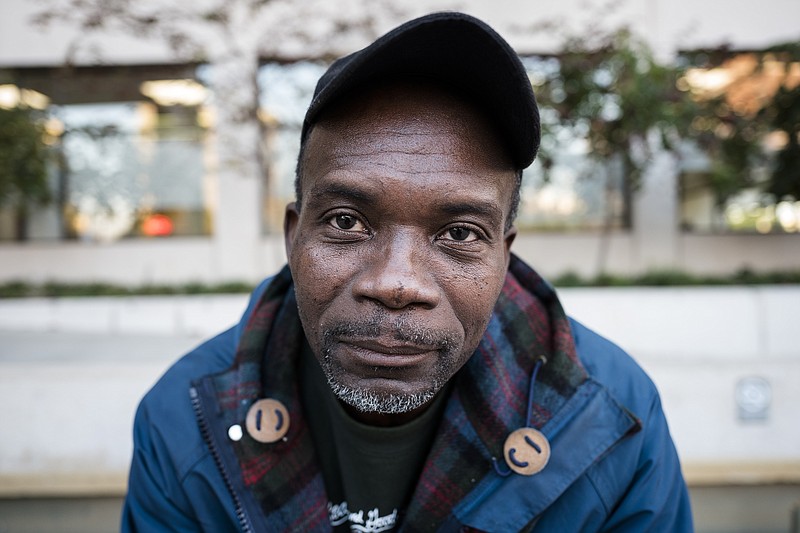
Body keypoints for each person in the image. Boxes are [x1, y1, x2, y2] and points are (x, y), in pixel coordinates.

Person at [122, 12, 693, 533]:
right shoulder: (184, 422)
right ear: (294, 235)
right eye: (347, 221)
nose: (396, 283)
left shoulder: (610, 419)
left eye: (460, 234)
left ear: (503, 253)